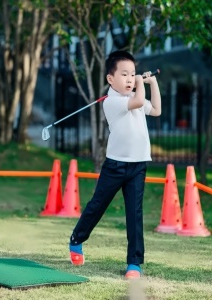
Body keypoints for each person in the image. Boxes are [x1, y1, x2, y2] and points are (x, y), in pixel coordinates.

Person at [68, 50, 162, 279]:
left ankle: (134, 263)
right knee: (97, 205)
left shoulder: (135, 97)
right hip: (115, 166)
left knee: (134, 213)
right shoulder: (112, 102)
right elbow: (138, 100)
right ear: (111, 79)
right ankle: (76, 239)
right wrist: (141, 82)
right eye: (125, 75)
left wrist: (153, 83)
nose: (130, 79)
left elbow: (156, 110)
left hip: (138, 166)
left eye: (133, 74)